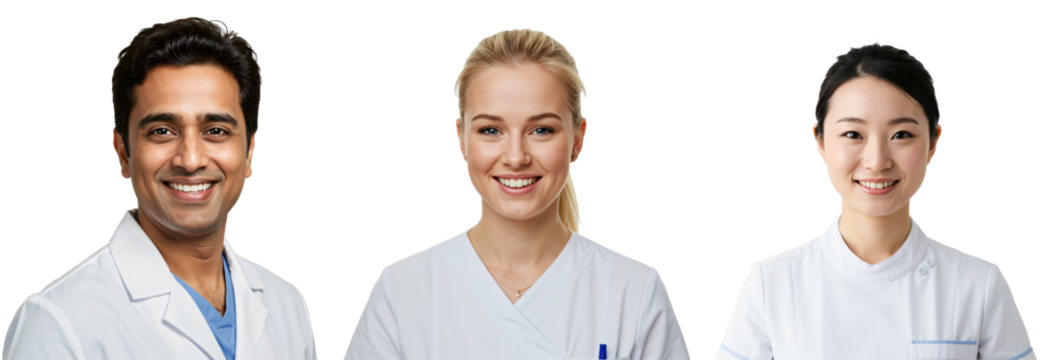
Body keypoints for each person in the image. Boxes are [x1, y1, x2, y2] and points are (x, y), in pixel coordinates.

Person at [344, 27, 690, 360]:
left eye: (541, 129)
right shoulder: (403, 289)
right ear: (461, 139)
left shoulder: (633, 289)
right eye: (491, 130)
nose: (515, 157)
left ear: (578, 139)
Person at [0, 15, 317, 360]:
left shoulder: (288, 304)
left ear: (248, 153)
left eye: (216, 131)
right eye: (162, 131)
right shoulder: (58, 322)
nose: (191, 159)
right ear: (123, 152)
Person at [715, 43, 1036, 359]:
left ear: (933, 143)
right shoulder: (772, 281)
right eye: (853, 134)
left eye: (901, 135)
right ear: (821, 141)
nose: (877, 161)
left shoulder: (979, 284)